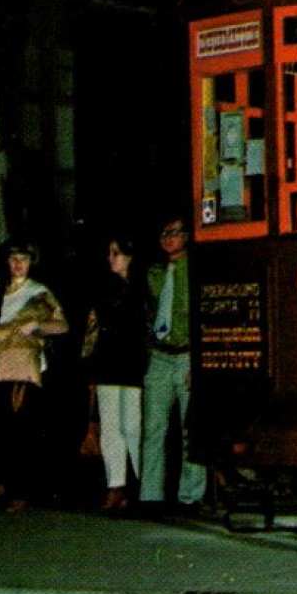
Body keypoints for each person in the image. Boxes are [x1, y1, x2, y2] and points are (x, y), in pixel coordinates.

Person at [0, 239, 70, 513]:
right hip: (0, 365)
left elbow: (62, 325)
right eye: (14, 258)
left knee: (23, 430)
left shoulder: (39, 291)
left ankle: (21, 490)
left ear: (31, 263)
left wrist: (36, 325)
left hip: (28, 370)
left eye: (24, 259)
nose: (18, 264)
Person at [139, 214, 207, 514]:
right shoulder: (153, 272)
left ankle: (190, 496)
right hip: (159, 357)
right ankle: (150, 495)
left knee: (190, 428)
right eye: (163, 234)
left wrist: (199, 362)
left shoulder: (196, 269)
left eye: (174, 233)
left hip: (187, 355)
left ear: (187, 236)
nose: (168, 239)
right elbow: (147, 313)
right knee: (153, 428)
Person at [80, 235, 149, 513]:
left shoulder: (142, 288)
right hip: (107, 362)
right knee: (109, 427)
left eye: (117, 253)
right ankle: (115, 485)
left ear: (131, 256)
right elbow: (92, 329)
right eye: (109, 253)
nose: (111, 258)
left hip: (133, 363)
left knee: (132, 425)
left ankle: (144, 484)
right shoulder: (104, 288)